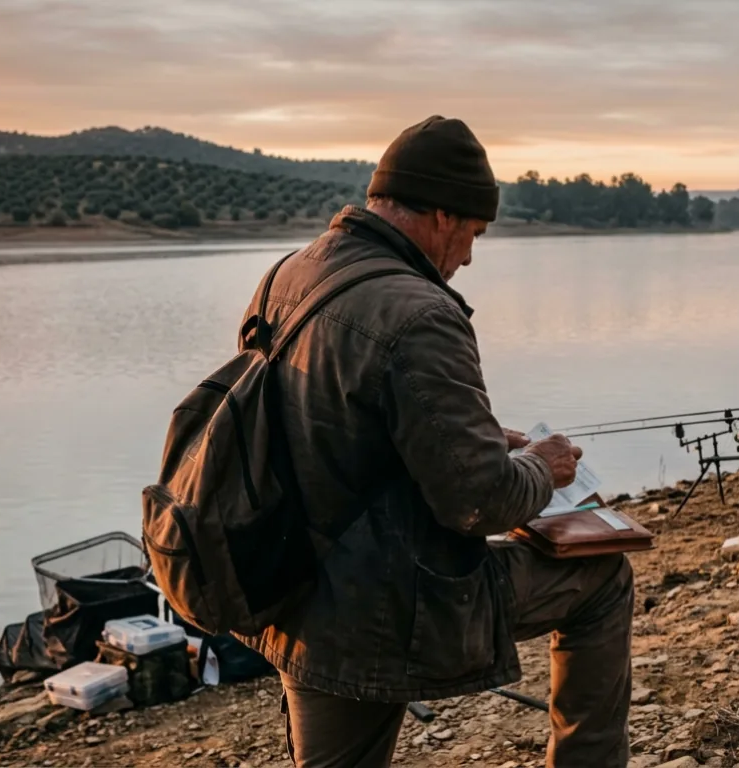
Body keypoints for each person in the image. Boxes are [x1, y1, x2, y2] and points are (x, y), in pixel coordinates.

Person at [233, 115, 635, 767]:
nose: (470, 255)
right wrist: (542, 465)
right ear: (443, 216)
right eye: (474, 232)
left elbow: (326, 426)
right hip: (393, 604)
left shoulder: (289, 275)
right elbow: (479, 503)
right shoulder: (421, 313)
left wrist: (474, 439)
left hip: (289, 591)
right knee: (603, 577)